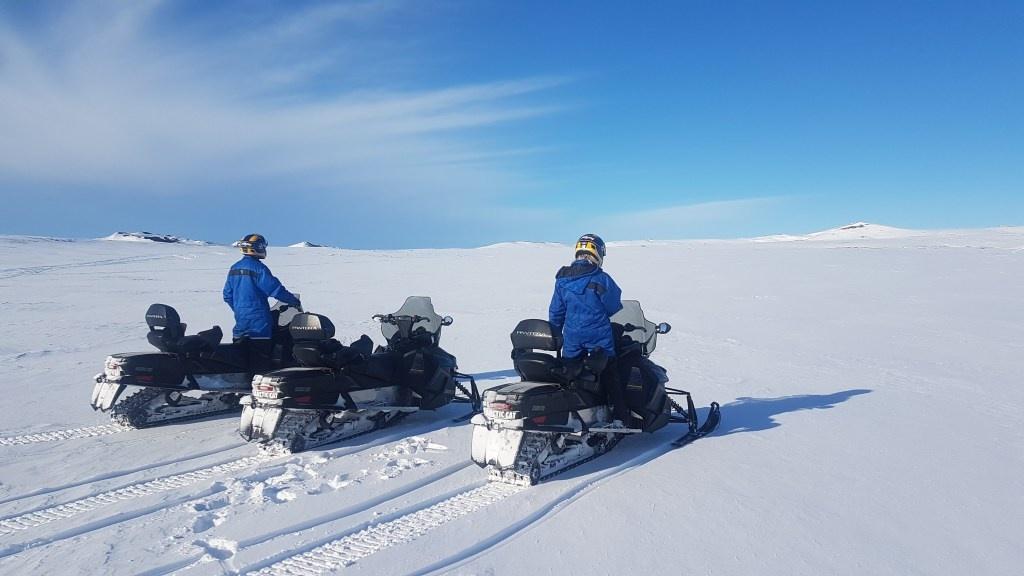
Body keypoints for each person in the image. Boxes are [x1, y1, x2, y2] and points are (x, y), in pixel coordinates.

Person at [548, 233, 628, 423]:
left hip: (572, 337)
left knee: (571, 373)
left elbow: (556, 311)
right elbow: (613, 305)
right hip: (598, 336)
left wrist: (555, 333)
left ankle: (571, 412)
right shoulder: (601, 278)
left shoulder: (562, 279)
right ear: (598, 253)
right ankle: (619, 416)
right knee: (610, 373)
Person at [223, 233, 301, 373]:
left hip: (240, 320)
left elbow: (227, 295)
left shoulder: (234, 268)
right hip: (259, 320)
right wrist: (293, 300)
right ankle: (260, 387)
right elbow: (275, 289)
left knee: (241, 358)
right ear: (257, 247)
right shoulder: (258, 268)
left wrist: (239, 309)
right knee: (261, 359)